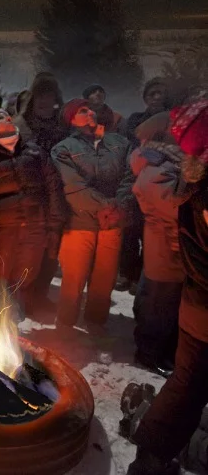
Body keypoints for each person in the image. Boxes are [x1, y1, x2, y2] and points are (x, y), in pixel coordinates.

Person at [126, 98, 208, 475]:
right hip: (201, 303)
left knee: (187, 385)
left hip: (196, 301)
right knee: (187, 386)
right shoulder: (198, 189)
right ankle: (152, 456)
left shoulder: (191, 181)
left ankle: (153, 453)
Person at [0, 109, 65, 318]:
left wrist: (54, 228)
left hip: (35, 226)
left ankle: (18, 318)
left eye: (7, 119)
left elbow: (54, 189)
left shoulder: (36, 154)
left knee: (27, 273)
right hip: (1, 231)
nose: (5, 123)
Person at [51, 98, 129, 331]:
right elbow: (72, 186)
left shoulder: (120, 143)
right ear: (71, 119)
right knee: (74, 277)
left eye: (91, 109)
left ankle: (96, 322)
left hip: (112, 221)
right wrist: (105, 205)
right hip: (79, 221)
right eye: (82, 111)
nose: (90, 113)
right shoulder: (63, 149)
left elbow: (131, 176)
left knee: (105, 277)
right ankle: (65, 323)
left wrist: (119, 204)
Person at [130, 115, 189, 376]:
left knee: (167, 300)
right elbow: (172, 207)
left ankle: (163, 350)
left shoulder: (172, 163)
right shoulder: (156, 167)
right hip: (165, 247)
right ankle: (149, 353)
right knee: (158, 302)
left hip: (172, 247)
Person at [14, 71, 67, 315]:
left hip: (56, 198)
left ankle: (40, 294)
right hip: (27, 199)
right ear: (32, 100)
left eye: (50, 96)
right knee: (26, 252)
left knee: (50, 251)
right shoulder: (18, 127)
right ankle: (22, 296)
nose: (45, 101)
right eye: (40, 96)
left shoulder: (62, 130)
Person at [119, 79, 172, 293]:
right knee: (130, 229)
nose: (156, 97)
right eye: (152, 93)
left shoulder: (173, 120)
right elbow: (128, 147)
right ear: (145, 98)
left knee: (150, 233)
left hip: (160, 183)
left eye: (161, 93)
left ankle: (142, 276)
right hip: (135, 178)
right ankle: (126, 271)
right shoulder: (135, 120)